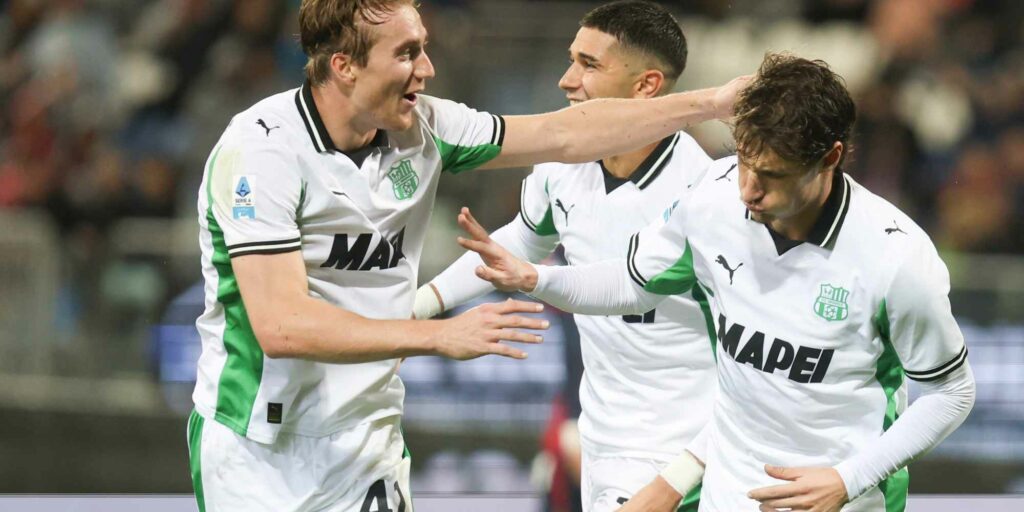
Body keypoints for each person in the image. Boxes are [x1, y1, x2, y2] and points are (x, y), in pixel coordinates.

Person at [187, 1, 747, 511]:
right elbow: (282, 325)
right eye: (407, 53)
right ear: (344, 66)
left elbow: (566, 134)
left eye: (424, 47)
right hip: (261, 442)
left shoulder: (428, 127)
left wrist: (712, 102)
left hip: (366, 435)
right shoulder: (261, 152)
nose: (427, 68)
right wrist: (435, 333)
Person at [455, 53, 975, 512]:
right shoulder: (714, 196)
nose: (748, 188)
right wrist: (537, 277)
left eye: (771, 175)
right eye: (745, 160)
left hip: (841, 498)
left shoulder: (896, 258)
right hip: (728, 489)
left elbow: (950, 394)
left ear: (830, 157)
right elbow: (634, 282)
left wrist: (846, 480)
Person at [414, 2, 715, 511]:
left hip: (696, 446)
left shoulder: (707, 194)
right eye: (572, 60)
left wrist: (685, 473)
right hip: (608, 446)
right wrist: (416, 309)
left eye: (589, 65)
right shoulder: (562, 171)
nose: (566, 80)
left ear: (646, 86)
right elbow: (515, 246)